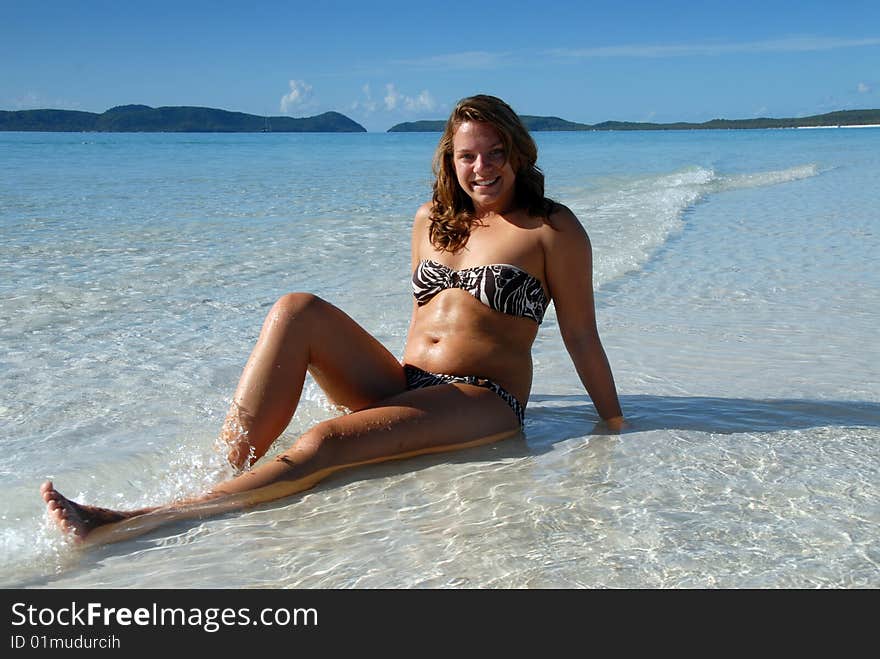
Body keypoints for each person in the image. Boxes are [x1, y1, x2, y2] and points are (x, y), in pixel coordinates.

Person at [41, 94, 624, 546]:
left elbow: (580, 335)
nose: (482, 168)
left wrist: (615, 425)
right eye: (467, 155)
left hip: (482, 398)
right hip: (404, 382)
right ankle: (224, 467)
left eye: (496, 153)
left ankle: (142, 521)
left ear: (519, 153)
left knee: (324, 441)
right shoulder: (431, 219)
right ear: (450, 158)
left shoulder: (552, 229)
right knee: (297, 308)